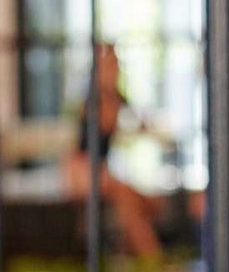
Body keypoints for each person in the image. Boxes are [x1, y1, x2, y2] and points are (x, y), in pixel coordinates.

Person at [60, 43, 163, 259]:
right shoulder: (94, 100)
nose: (114, 70)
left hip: (100, 169)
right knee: (126, 197)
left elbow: (140, 121)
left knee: (150, 203)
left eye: (115, 65)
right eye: (109, 65)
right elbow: (107, 124)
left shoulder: (116, 99)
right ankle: (151, 257)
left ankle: (131, 254)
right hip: (82, 169)